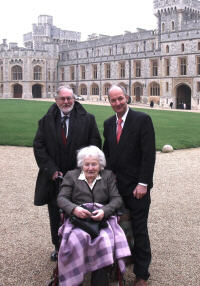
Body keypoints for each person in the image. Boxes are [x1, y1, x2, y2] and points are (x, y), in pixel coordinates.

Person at [33, 86, 101, 261]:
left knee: (82, 213)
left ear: (74, 99)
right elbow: (39, 147)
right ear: (56, 100)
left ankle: (82, 248)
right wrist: (52, 170)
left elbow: (94, 145)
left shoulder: (88, 120)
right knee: (56, 214)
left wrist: (84, 169)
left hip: (80, 178)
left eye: (69, 98)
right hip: (55, 178)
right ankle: (59, 246)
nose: (66, 102)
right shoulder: (45, 121)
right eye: (62, 99)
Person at [103, 85, 156, 286]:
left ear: (127, 97)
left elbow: (148, 154)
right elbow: (106, 152)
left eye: (120, 99)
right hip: (116, 187)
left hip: (137, 187)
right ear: (109, 102)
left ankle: (142, 274)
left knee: (139, 228)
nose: (117, 103)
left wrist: (143, 183)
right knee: (116, 226)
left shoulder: (142, 120)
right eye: (113, 100)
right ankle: (120, 261)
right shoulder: (109, 123)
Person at [57, 145, 131, 286]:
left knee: (104, 241)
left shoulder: (107, 176)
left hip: (101, 220)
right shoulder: (71, 176)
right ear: (81, 164)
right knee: (74, 241)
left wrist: (104, 211)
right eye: (87, 164)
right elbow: (61, 198)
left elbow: (117, 199)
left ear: (100, 165)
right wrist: (74, 209)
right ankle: (74, 280)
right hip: (79, 220)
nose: (90, 168)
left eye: (94, 164)